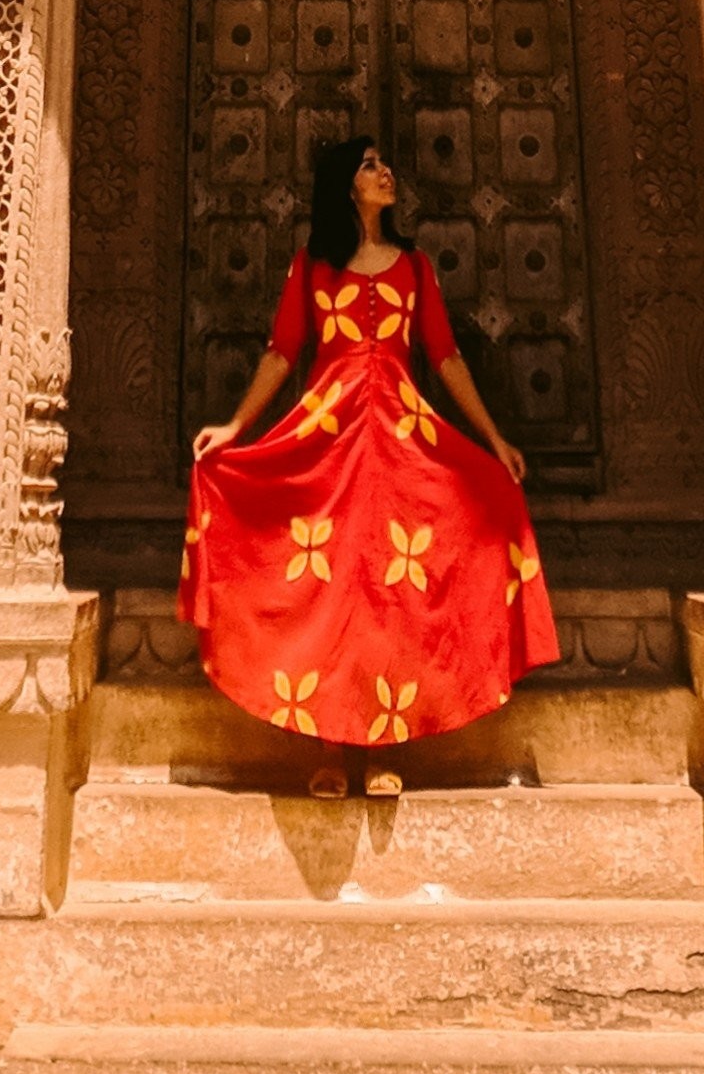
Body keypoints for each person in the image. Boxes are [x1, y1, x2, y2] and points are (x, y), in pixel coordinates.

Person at [181, 135, 557, 794]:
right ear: (345, 184)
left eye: (385, 162)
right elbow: (281, 353)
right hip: (327, 438)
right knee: (329, 588)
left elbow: (444, 358)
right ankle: (330, 749)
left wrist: (494, 441)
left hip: (399, 442)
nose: (386, 173)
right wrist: (235, 427)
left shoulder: (413, 267)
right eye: (370, 164)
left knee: (392, 590)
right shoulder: (312, 266)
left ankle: (384, 747)